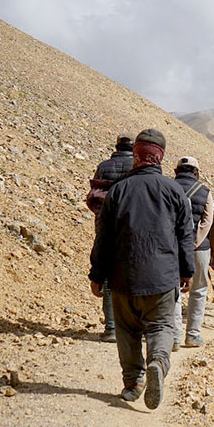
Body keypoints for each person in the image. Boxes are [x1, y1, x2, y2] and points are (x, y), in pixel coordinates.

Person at [88, 129, 193, 409]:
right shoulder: (174, 191)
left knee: (126, 330)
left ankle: (133, 382)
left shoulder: (118, 190)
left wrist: (96, 274)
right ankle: (157, 362)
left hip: (123, 278)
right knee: (160, 326)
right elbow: (185, 236)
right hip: (162, 277)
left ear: (136, 155)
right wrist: (187, 271)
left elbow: (104, 237)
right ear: (160, 157)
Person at [85, 132, 135, 343]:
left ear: (116, 147)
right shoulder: (137, 168)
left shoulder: (104, 166)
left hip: (104, 227)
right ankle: (131, 326)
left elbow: (94, 196)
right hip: (130, 229)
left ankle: (112, 328)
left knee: (107, 277)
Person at [172, 156, 213, 349]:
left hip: (171, 248)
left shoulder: (167, 188)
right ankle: (193, 335)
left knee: (173, 291)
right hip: (200, 248)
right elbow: (207, 221)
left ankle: (174, 336)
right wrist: (194, 242)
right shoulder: (204, 191)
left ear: (176, 171)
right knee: (199, 290)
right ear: (196, 173)